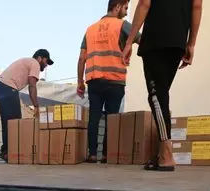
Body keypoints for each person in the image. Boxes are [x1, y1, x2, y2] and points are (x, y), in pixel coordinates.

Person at [122, 0, 203, 171]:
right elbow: (196, 7)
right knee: (161, 94)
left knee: (156, 97)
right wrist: (191, 43)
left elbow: (144, 3)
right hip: (177, 43)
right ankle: (161, 154)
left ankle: (166, 154)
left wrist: (129, 41)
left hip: (155, 40)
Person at [78, 0, 140, 163]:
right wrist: (129, 43)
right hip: (115, 80)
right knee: (112, 117)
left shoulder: (90, 29)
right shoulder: (122, 25)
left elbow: (82, 58)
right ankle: (106, 154)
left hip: (94, 80)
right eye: (125, 8)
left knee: (94, 116)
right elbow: (141, 39)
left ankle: (92, 154)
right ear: (117, 6)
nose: (126, 12)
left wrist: (79, 81)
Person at [0, 49, 54, 160]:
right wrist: (36, 106)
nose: (46, 65)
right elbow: (32, 85)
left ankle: (6, 152)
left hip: (0, 87)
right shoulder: (35, 63)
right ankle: (11, 152)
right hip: (8, 88)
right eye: (46, 61)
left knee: (8, 122)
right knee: (15, 122)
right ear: (40, 58)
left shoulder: (27, 62)